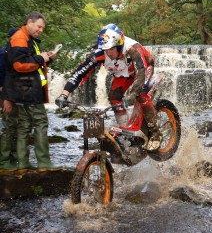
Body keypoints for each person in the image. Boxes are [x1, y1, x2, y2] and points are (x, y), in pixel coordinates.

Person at [55, 23, 162, 151]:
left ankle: (155, 133)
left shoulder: (133, 49)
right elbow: (79, 73)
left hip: (143, 68)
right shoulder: (100, 54)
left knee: (140, 94)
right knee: (114, 97)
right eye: (105, 49)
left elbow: (141, 74)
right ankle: (124, 129)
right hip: (122, 73)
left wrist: (133, 94)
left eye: (111, 49)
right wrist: (64, 94)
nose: (108, 53)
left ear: (119, 45)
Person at [2, 12, 61, 172]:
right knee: (40, 123)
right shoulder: (20, 38)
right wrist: (41, 58)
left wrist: (46, 57)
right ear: (29, 22)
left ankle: (22, 164)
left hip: (24, 88)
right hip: (27, 89)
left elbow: (29, 60)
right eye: (39, 26)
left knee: (24, 126)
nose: (41, 30)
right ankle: (44, 163)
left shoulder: (28, 39)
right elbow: (20, 65)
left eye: (43, 27)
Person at [0, 28, 19, 171]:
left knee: (15, 126)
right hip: (7, 95)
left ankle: (14, 158)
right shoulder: (4, 53)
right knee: (10, 126)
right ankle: (6, 160)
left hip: (17, 95)